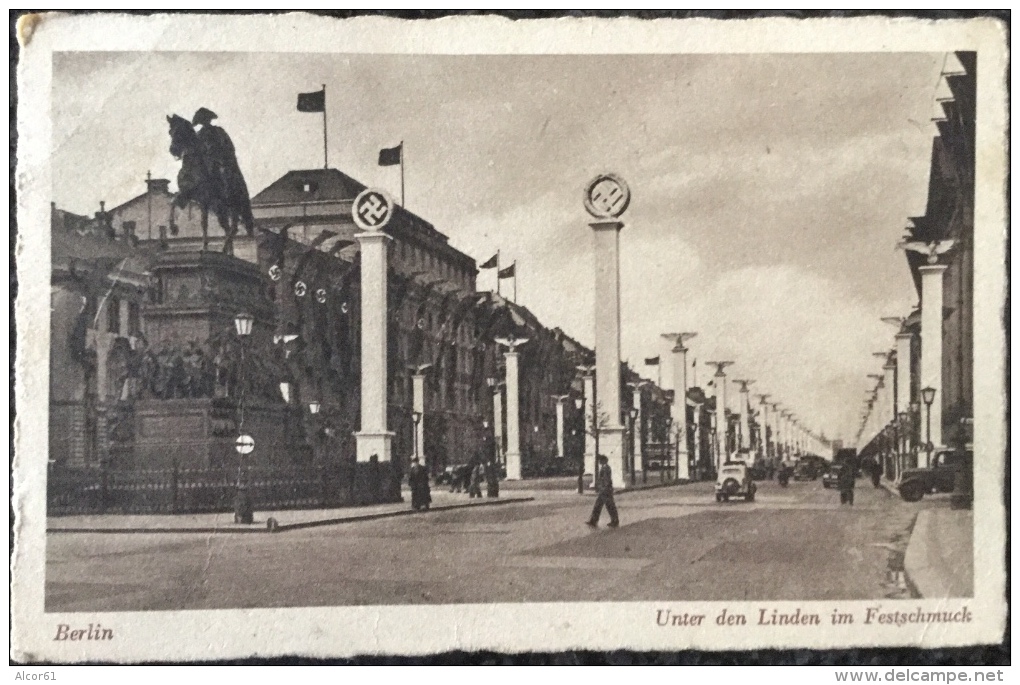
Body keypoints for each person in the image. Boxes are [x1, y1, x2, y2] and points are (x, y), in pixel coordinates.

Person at [587, 454, 619, 528]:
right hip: (605, 490)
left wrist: (603, 488)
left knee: (608, 506)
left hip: (605, 490)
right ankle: (594, 520)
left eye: (600, 460)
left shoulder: (605, 468)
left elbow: (606, 480)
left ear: (603, 461)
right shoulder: (606, 468)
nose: (599, 462)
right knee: (600, 506)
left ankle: (614, 521)